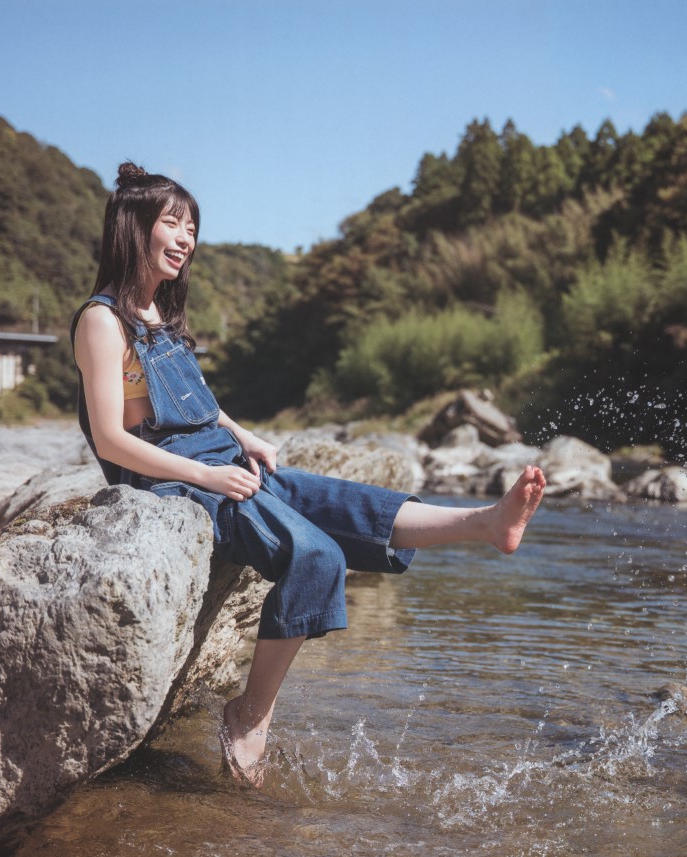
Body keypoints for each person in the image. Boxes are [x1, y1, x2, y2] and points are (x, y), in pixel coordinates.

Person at [71, 162, 546, 787]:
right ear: (133, 228)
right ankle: (248, 716)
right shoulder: (102, 321)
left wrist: (245, 437)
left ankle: (484, 523)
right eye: (173, 223)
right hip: (173, 481)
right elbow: (110, 438)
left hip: (219, 458)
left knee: (345, 502)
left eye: (192, 227)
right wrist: (208, 477)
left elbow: (199, 403)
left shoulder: (162, 316)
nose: (186, 239)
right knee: (318, 556)